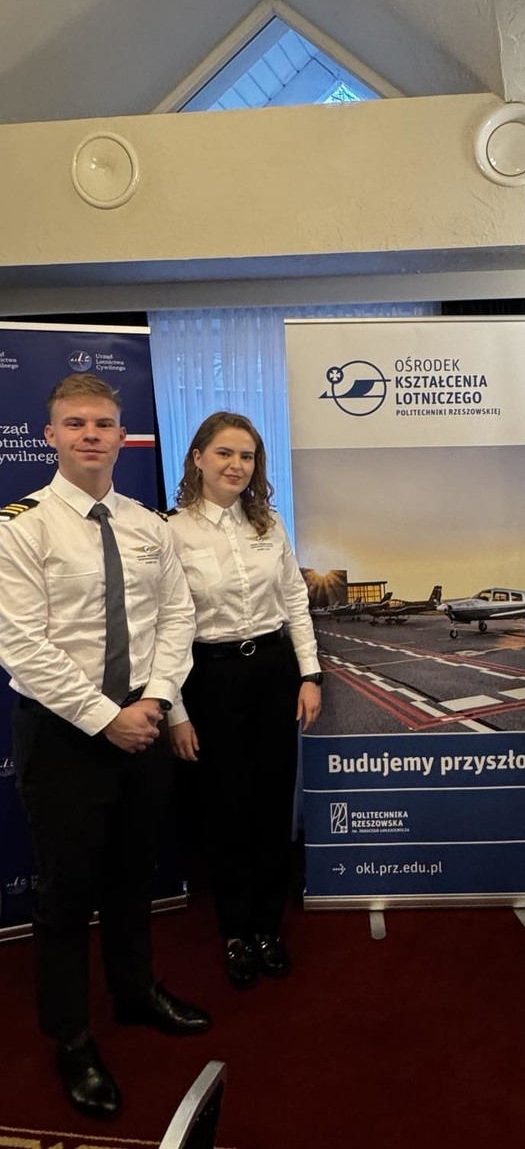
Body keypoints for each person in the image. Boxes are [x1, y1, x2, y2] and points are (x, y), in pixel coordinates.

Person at [0, 373, 209, 1122]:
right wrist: (104, 717)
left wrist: (156, 700)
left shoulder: (149, 526)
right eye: (75, 423)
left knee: (131, 874)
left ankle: (134, 991)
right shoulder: (19, 527)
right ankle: (71, 1037)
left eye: (103, 424)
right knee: (65, 893)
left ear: (124, 437)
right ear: (50, 436)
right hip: (65, 734)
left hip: (143, 722)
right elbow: (22, 645)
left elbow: (176, 619)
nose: (90, 434)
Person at [167, 411, 322, 991]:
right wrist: (176, 711)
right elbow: (164, 626)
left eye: (248, 456)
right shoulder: (171, 531)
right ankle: (235, 931)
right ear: (198, 458)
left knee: (272, 805)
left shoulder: (269, 524)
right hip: (211, 679)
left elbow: (295, 602)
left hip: (274, 673)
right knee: (225, 809)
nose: (237, 465)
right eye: (225, 453)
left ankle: (267, 927)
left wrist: (310, 675)